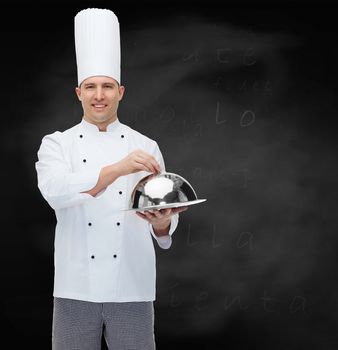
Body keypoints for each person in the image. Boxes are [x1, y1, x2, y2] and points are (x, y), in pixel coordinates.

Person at [35, 8, 187, 350]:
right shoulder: (57, 143)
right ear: (78, 93)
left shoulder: (146, 146)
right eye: (91, 87)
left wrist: (163, 224)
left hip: (132, 288)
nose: (99, 95)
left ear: (121, 91)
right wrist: (116, 169)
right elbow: (55, 191)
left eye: (107, 86)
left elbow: (161, 221)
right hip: (75, 289)